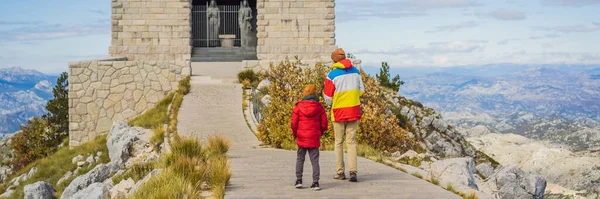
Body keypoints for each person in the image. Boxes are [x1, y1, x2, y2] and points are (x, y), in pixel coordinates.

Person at [323, 48, 365, 182]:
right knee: (351, 142)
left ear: (334, 60)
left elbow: (327, 97)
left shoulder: (332, 75)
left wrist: (336, 102)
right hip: (354, 110)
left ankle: (340, 172)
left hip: (339, 112)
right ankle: (353, 172)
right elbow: (361, 90)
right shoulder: (356, 72)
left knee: (339, 142)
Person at [291, 85, 328, 191]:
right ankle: (315, 182)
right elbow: (324, 124)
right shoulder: (319, 107)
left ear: (305, 93)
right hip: (314, 137)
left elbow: (293, 123)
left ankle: (299, 180)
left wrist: (295, 134)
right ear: (314, 94)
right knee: (315, 160)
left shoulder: (298, 107)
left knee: (300, 158)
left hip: (301, 136)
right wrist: (319, 133)